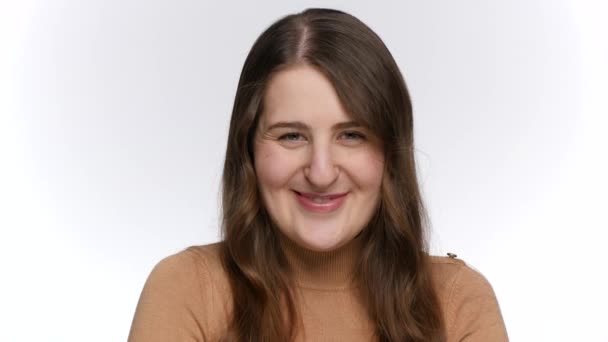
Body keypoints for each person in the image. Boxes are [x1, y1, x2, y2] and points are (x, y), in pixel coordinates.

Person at [127, 8, 508, 342]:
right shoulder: (187, 290)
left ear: (390, 153)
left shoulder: (457, 301)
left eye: (352, 135)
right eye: (292, 136)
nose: (321, 173)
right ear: (249, 149)